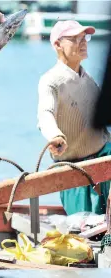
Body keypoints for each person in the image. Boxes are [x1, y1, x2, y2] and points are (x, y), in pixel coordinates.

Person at [37, 20, 111, 215]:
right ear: (57, 45)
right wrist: (54, 135)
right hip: (75, 173)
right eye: (75, 39)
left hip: (105, 160)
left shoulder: (89, 80)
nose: (83, 42)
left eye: (84, 38)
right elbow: (45, 113)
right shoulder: (50, 80)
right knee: (86, 232)